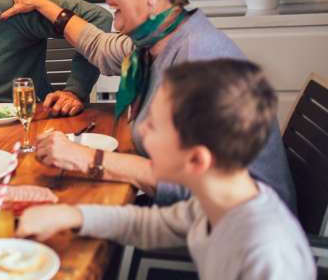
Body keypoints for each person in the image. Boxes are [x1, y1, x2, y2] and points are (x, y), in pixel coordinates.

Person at [0, 0, 295, 209]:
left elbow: (190, 188)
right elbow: (100, 47)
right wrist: (42, 4)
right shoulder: (157, 40)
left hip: (229, 238)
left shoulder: (197, 61)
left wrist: (90, 159)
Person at [18, 59, 315, 279]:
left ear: (196, 160)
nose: (141, 131)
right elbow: (150, 225)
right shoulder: (213, 205)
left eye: (154, 125)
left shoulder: (267, 254)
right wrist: (72, 215)